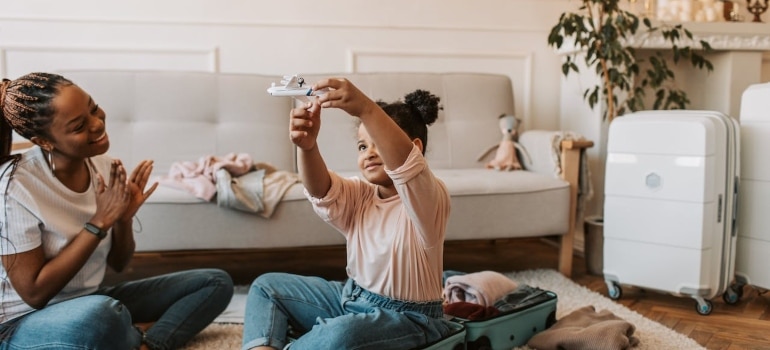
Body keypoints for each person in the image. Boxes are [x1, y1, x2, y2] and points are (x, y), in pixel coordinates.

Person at [0, 72, 234, 350]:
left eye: (93, 108)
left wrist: (123, 219)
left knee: (214, 282)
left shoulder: (103, 166)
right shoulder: (14, 187)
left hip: (91, 299)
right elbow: (34, 294)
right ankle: (131, 334)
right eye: (79, 126)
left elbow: (120, 265)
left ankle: (148, 344)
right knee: (101, 316)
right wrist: (99, 223)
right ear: (44, 141)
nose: (98, 124)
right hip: (21, 322)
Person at [242, 78, 453, 350]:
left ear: (416, 148)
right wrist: (307, 147)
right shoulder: (362, 194)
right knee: (266, 287)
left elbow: (407, 166)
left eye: (376, 142)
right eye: (363, 146)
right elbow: (321, 189)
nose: (369, 153)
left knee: (342, 334)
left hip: (409, 318)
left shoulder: (430, 198)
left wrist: (366, 108)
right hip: (351, 297)